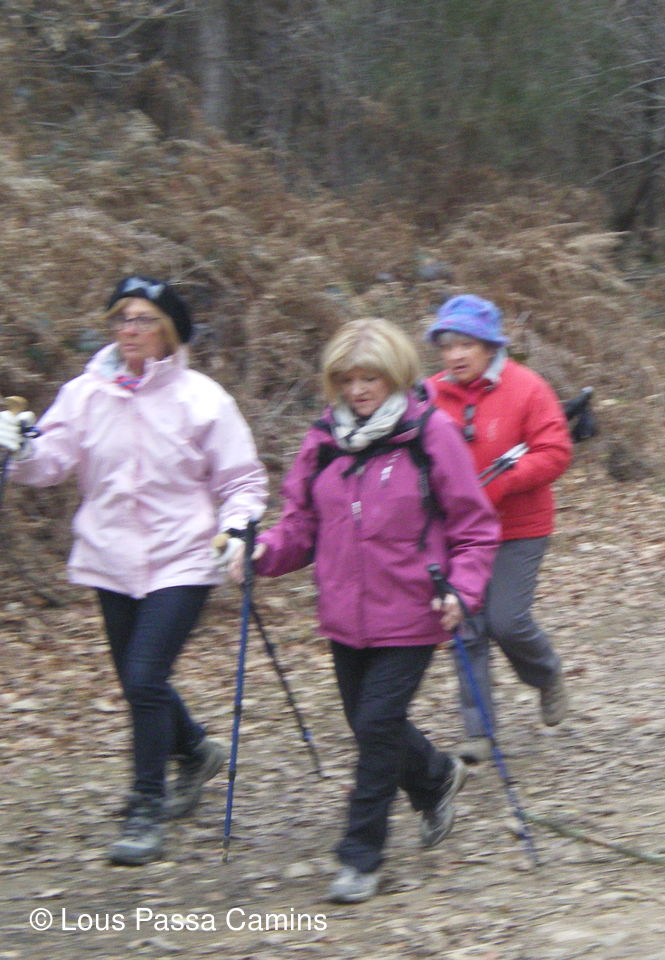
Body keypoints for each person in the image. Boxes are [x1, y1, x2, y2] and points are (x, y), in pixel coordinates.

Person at [0, 275, 267, 865]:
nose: (129, 330)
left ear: (168, 331)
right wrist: (18, 448)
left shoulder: (203, 399)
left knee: (144, 677)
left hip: (185, 556)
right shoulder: (86, 393)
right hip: (110, 557)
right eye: (122, 318)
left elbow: (242, 479)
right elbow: (51, 463)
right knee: (137, 680)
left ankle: (146, 805)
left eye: (143, 319)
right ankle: (194, 750)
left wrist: (238, 528)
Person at [242, 317, 499, 903]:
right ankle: (436, 777)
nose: (358, 390)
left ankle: (361, 855)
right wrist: (262, 553)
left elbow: (475, 528)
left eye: (370, 378)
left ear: (396, 376)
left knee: (377, 726)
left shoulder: (430, 435)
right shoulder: (322, 441)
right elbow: (300, 526)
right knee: (367, 722)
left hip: (413, 609)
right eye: (347, 379)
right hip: (344, 613)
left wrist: (462, 590)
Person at [425, 294, 573, 765]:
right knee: (466, 628)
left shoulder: (528, 388)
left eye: (466, 344)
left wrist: (503, 483)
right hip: (457, 533)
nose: (455, 355)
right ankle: (479, 732)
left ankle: (546, 674)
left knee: (507, 620)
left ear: (490, 346)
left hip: (519, 527)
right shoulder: (426, 395)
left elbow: (555, 452)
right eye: (447, 346)